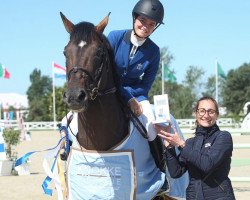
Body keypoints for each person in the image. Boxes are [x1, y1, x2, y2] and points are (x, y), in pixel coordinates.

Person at [154, 96, 236, 200]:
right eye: (202, 111)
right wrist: (169, 146)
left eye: (211, 111)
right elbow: (176, 172)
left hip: (219, 196)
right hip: (194, 196)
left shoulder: (223, 137)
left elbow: (207, 164)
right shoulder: (190, 143)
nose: (206, 115)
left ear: (217, 115)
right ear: (196, 113)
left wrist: (181, 144)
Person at [107, 0, 164, 142]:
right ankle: (66, 149)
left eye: (151, 24)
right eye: (142, 20)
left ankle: (160, 161)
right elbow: (106, 73)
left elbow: (146, 85)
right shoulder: (115, 37)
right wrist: (127, 98)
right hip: (108, 90)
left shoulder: (154, 51)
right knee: (71, 118)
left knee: (151, 128)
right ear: (134, 18)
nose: (145, 27)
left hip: (136, 94)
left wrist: (133, 98)